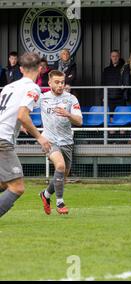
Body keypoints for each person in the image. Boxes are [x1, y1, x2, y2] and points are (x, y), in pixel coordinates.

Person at [0, 52, 51, 219]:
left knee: (3, 183)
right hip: (3, 140)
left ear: (20, 69)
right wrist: (40, 137)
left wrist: (20, 125)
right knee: (17, 187)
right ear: (40, 69)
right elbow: (22, 114)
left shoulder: (8, 87)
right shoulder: (33, 88)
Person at [38, 70, 83, 215]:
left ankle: (45, 195)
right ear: (49, 83)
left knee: (62, 177)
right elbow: (24, 109)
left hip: (67, 141)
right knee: (60, 165)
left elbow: (80, 121)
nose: (60, 85)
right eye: (57, 82)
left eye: (62, 82)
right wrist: (24, 124)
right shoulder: (42, 98)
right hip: (49, 140)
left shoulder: (71, 99)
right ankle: (60, 202)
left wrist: (68, 114)